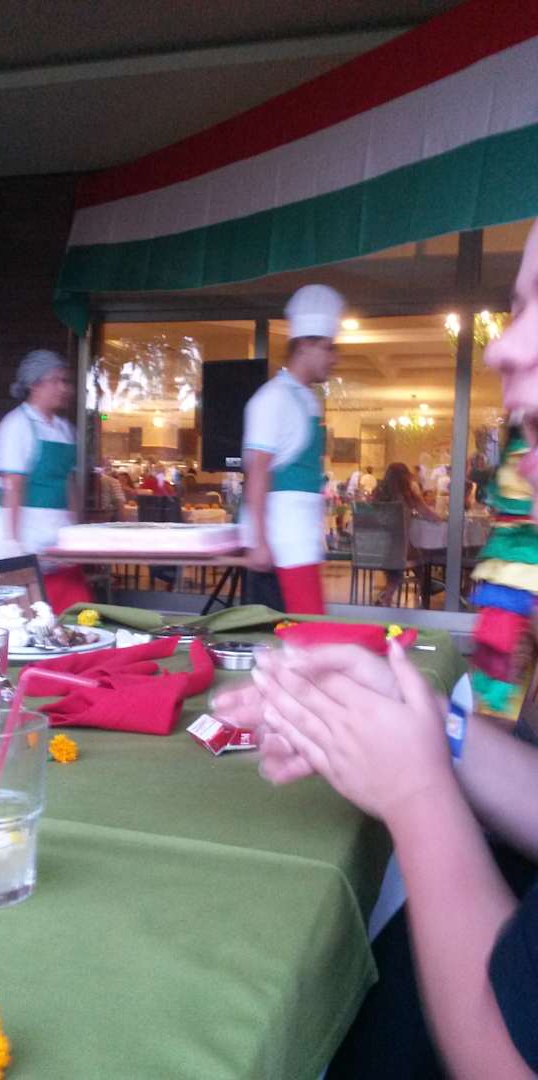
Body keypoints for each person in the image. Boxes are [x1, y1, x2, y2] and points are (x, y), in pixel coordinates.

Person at [215, 219, 538, 1078]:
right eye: (518, 307)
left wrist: (416, 786)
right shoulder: (278, 401)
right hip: (282, 545)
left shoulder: (300, 400)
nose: (505, 346)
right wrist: (435, 725)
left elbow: (508, 1054)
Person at [241, 284, 344, 615]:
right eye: (328, 348)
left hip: (301, 542)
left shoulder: (307, 399)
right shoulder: (273, 399)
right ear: (304, 346)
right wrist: (259, 542)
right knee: (295, 634)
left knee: (306, 631)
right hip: (282, 545)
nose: (334, 358)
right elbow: (257, 472)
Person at [0, 349, 93, 612]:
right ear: (34, 384)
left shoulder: (66, 430)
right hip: (22, 534)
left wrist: (74, 531)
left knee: (72, 609)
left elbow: (69, 484)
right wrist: (12, 542)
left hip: (55, 535)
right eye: (56, 380)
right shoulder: (16, 425)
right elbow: (13, 485)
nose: (64, 388)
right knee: (21, 613)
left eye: (65, 381)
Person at [374, 462, 441, 606]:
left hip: (375, 550)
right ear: (405, 477)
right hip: (397, 551)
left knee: (412, 553)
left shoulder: (377, 494)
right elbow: (429, 515)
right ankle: (424, 587)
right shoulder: (408, 496)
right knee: (421, 557)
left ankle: (390, 593)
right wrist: (445, 518)